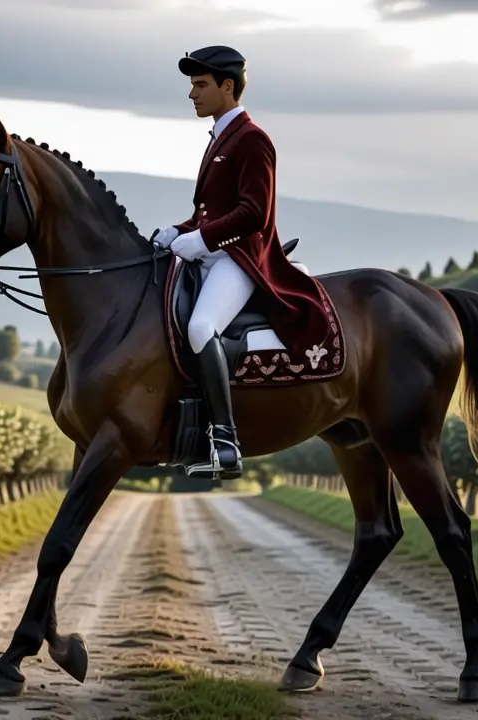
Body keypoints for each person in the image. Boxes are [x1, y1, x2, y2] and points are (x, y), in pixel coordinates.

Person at [150, 45, 301, 480]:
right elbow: (210, 212)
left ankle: (225, 439)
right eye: (192, 86)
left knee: (200, 327)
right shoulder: (220, 137)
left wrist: (200, 239)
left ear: (227, 86)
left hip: (241, 259)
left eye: (200, 85)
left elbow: (254, 212)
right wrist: (179, 231)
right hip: (214, 252)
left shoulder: (253, 140)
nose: (192, 95)